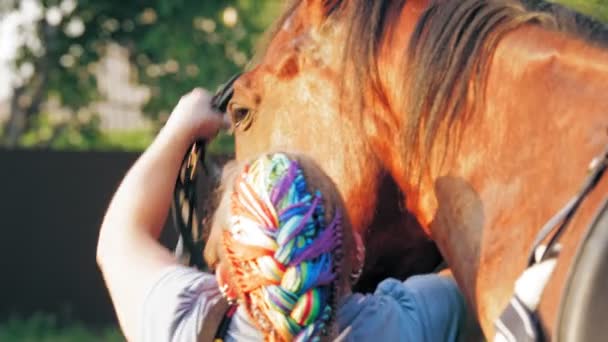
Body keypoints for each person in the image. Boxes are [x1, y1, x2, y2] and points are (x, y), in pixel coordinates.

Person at [97, 88, 466, 341]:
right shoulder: (405, 324)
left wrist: (179, 130)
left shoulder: (183, 323)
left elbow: (118, 241)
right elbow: (491, 265)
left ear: (226, 279)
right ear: (357, 253)